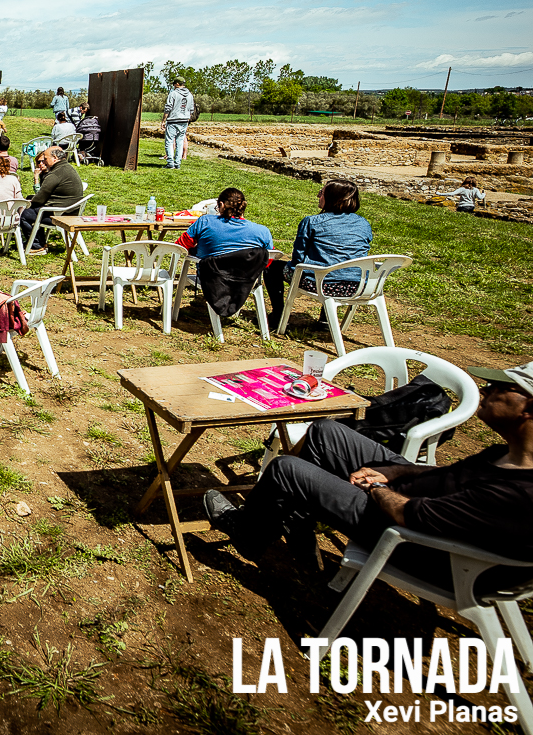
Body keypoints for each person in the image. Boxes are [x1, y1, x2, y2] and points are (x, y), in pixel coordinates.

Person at [203, 362, 533, 585]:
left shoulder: (519, 493)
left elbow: (410, 514)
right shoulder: (506, 454)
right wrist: (397, 469)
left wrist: (375, 488)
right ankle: (296, 517)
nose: (486, 390)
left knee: (285, 469)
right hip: (416, 500)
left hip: (417, 543)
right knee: (325, 432)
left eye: (498, 387)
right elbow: (449, 476)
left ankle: (248, 532)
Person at [263, 178, 373, 327]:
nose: (318, 196)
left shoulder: (311, 222)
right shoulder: (363, 224)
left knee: (272, 267)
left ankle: (278, 316)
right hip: (358, 285)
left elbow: (298, 259)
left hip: (322, 285)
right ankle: (325, 319)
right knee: (334, 266)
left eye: (321, 193)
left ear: (332, 198)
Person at [174, 188, 273, 259]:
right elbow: (270, 258)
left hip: (210, 281)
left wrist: (197, 250)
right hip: (245, 283)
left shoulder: (205, 222)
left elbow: (181, 246)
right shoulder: (263, 232)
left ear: (221, 204)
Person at [18, 145, 82, 255]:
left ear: (55, 158)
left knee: (26, 215)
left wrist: (29, 201)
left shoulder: (56, 173)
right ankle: (40, 242)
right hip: (71, 210)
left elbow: (40, 198)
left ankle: (37, 246)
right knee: (34, 210)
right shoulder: (67, 168)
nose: (45, 162)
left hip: (61, 215)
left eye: (46, 159)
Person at [163, 77, 194, 170]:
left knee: (169, 141)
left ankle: (170, 163)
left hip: (173, 120)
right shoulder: (190, 95)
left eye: (174, 84)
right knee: (180, 141)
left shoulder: (173, 94)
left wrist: (163, 120)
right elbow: (191, 109)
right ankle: (178, 163)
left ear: (177, 84)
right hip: (184, 120)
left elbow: (168, 107)